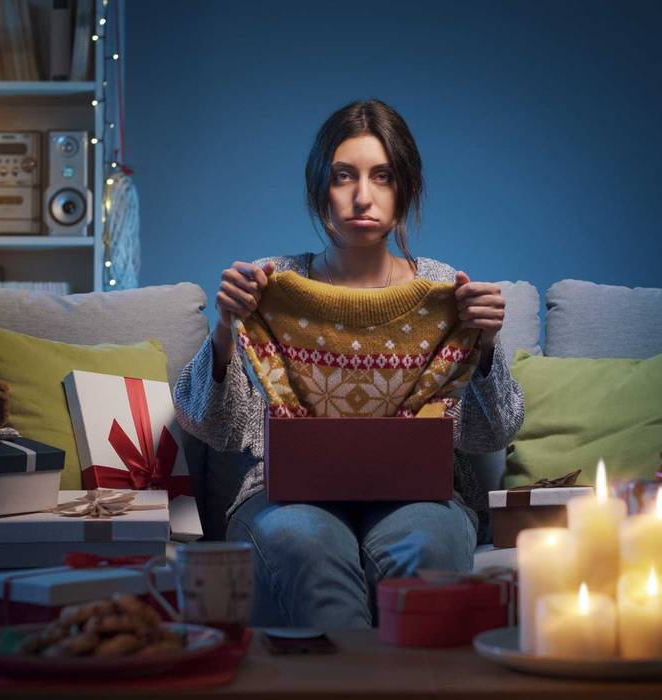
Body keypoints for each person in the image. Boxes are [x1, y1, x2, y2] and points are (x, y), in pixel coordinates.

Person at [172, 99, 524, 629]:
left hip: (422, 494)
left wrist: (487, 347)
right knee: (307, 548)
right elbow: (215, 426)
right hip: (286, 495)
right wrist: (226, 330)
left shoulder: (445, 287)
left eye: (382, 176)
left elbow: (490, 433)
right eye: (344, 176)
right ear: (321, 190)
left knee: (423, 548)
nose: (363, 196)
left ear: (404, 190)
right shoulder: (269, 284)